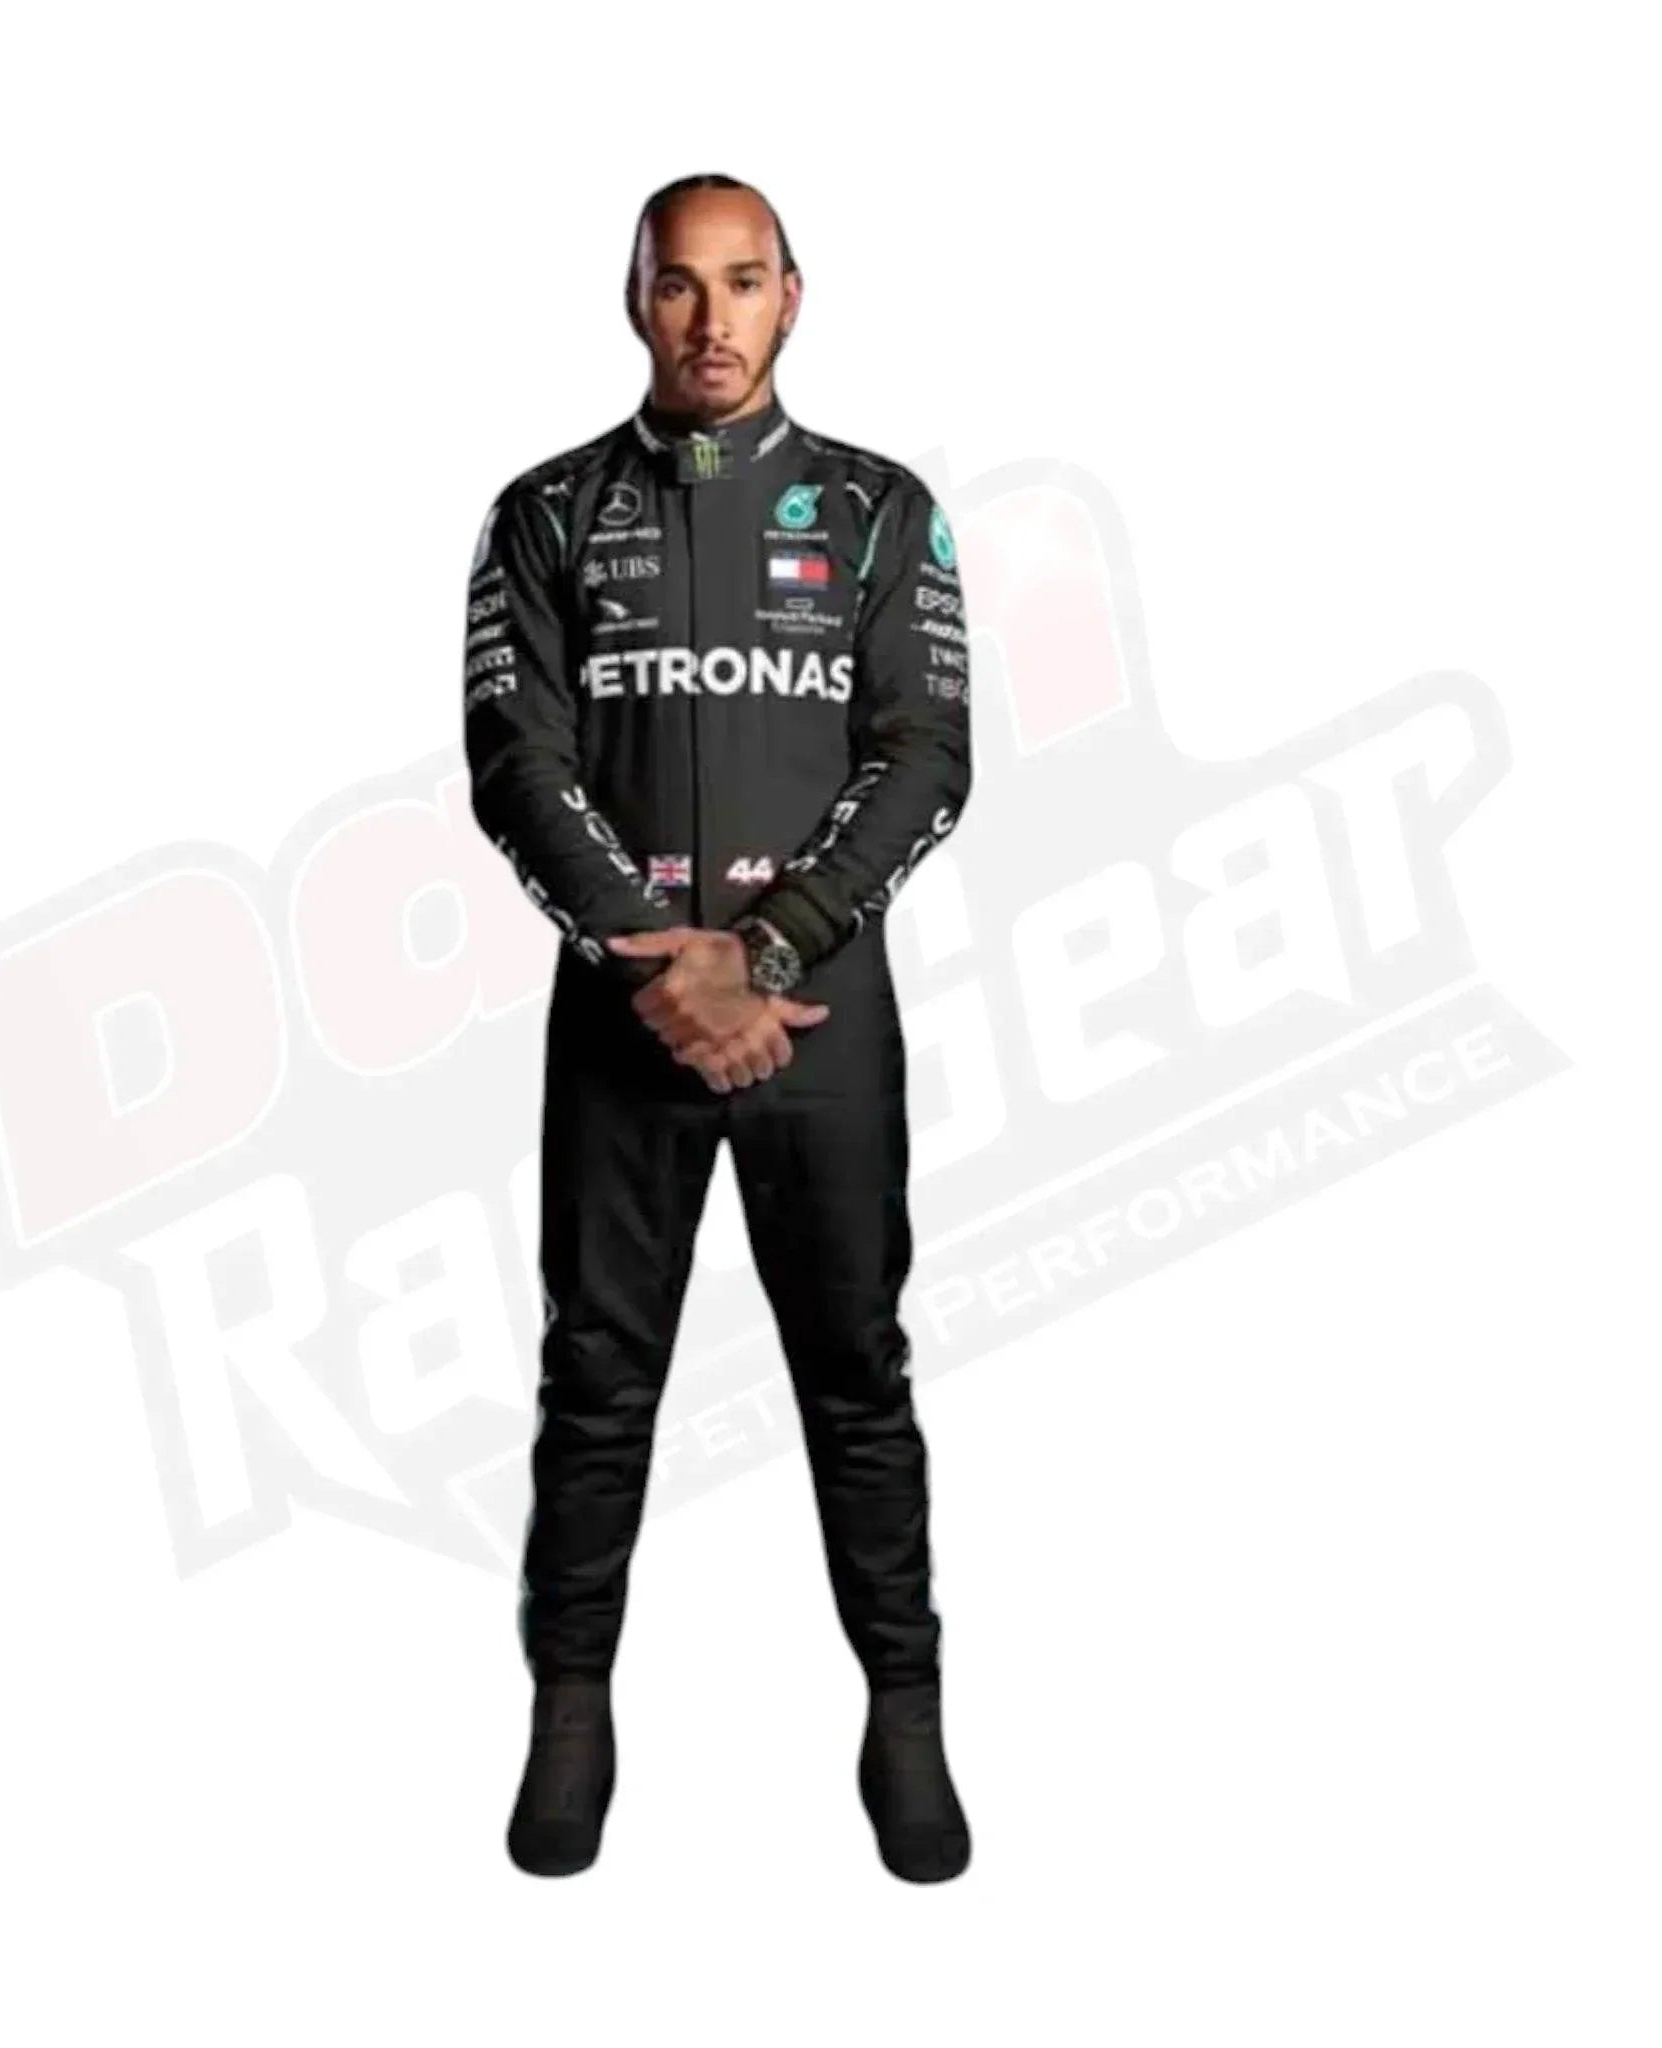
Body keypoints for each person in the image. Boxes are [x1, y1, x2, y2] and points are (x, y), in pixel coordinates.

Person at [462, 172, 974, 1883]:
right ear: (635, 301)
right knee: (597, 1381)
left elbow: (927, 756)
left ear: (792, 298)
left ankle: (906, 1709)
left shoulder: (883, 512)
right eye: (678, 284)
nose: (710, 319)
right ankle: (569, 1710)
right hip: (625, 1025)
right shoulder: (543, 514)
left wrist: (760, 953)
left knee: (857, 1374)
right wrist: (657, 965)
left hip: (823, 1022)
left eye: (743, 281)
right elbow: (516, 766)